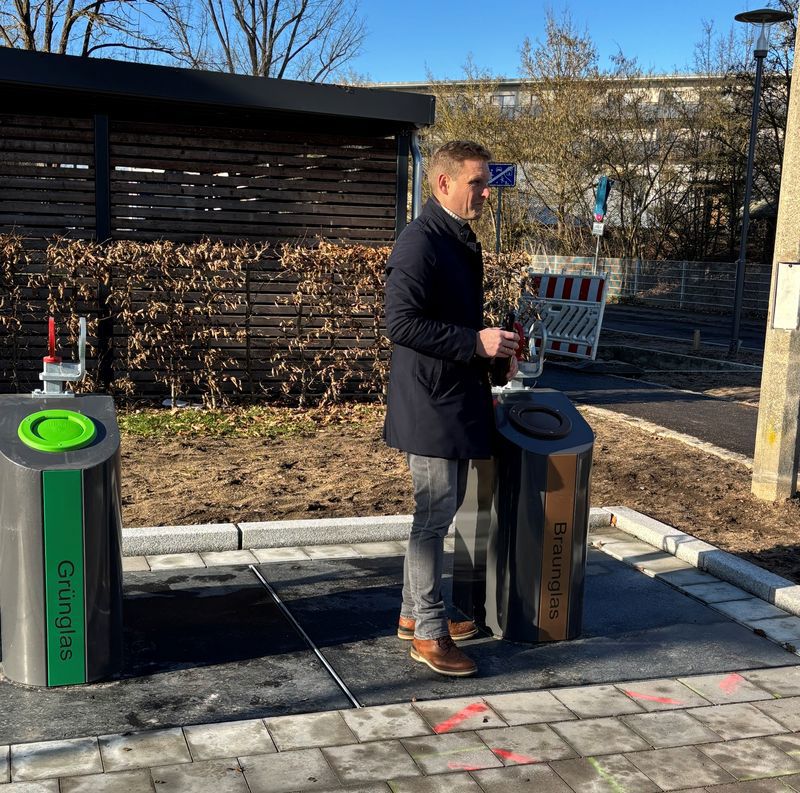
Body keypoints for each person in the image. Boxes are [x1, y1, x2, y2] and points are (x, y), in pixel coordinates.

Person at [383, 140, 519, 677]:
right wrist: (475, 344)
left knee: (437, 514)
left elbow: (460, 322)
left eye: (486, 182)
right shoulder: (421, 240)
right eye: (477, 182)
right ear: (443, 183)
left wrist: (494, 357)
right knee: (433, 518)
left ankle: (414, 616)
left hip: (451, 397)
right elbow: (401, 323)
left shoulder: (457, 238)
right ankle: (430, 631)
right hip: (431, 403)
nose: (486, 192)